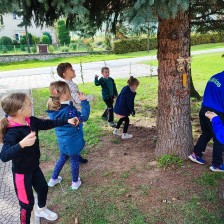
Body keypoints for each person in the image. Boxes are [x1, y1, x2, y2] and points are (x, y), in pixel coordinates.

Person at [0, 92, 78, 223]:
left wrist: (67, 120)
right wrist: (21, 144)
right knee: (26, 205)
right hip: (21, 174)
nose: (32, 106)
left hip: (34, 167)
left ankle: (41, 209)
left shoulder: (30, 121)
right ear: (20, 110)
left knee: (42, 188)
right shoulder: (12, 132)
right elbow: (4, 156)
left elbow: (47, 123)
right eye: (29, 104)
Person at [46, 81, 90, 190]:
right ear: (65, 95)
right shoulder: (69, 111)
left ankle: (53, 179)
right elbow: (83, 117)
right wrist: (84, 102)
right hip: (72, 140)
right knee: (74, 159)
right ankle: (75, 182)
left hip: (62, 141)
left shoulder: (53, 109)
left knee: (62, 157)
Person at [57, 62, 92, 164]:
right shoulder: (70, 85)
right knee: (77, 135)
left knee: (72, 135)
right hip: (76, 113)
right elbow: (77, 99)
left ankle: (74, 154)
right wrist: (89, 97)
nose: (74, 71)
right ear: (64, 73)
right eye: (71, 69)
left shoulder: (64, 84)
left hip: (69, 113)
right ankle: (74, 154)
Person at [188, 71, 224, 172]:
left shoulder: (215, 76)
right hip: (216, 112)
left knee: (207, 133)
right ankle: (217, 164)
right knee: (219, 138)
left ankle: (196, 154)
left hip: (204, 109)